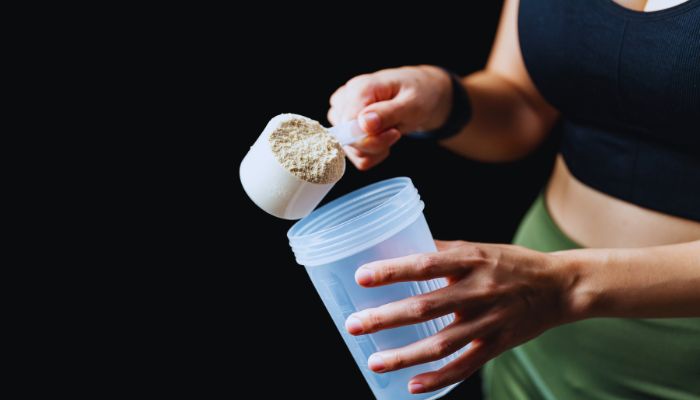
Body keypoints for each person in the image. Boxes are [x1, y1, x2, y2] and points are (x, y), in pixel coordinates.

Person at [327, 0, 700, 398]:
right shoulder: (535, 291)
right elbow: (522, 104)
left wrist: (567, 287)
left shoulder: (552, 288)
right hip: (533, 310)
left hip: (676, 343)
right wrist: (441, 99)